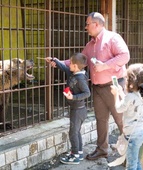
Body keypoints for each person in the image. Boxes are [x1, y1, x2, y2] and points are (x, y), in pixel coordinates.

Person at [48, 12, 130, 160]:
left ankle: (131, 151)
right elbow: (79, 61)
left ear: (96, 24)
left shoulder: (113, 38)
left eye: (87, 24)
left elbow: (125, 55)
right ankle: (102, 149)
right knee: (101, 119)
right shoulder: (90, 45)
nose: (85, 27)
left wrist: (105, 66)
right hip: (97, 88)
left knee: (121, 120)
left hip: (114, 85)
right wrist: (59, 62)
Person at [46, 53, 91, 165]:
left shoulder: (80, 79)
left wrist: (73, 97)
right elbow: (63, 67)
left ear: (75, 66)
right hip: (77, 109)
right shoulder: (73, 73)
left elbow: (87, 93)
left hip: (78, 110)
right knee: (76, 132)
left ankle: (74, 155)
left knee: (73, 133)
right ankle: (79, 153)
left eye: (70, 63)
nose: (68, 64)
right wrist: (54, 60)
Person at [110, 63, 143, 170]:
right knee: (136, 161)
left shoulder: (130, 97)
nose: (125, 81)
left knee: (131, 166)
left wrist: (115, 96)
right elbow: (130, 103)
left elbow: (119, 108)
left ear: (132, 84)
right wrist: (119, 92)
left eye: (127, 79)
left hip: (133, 135)